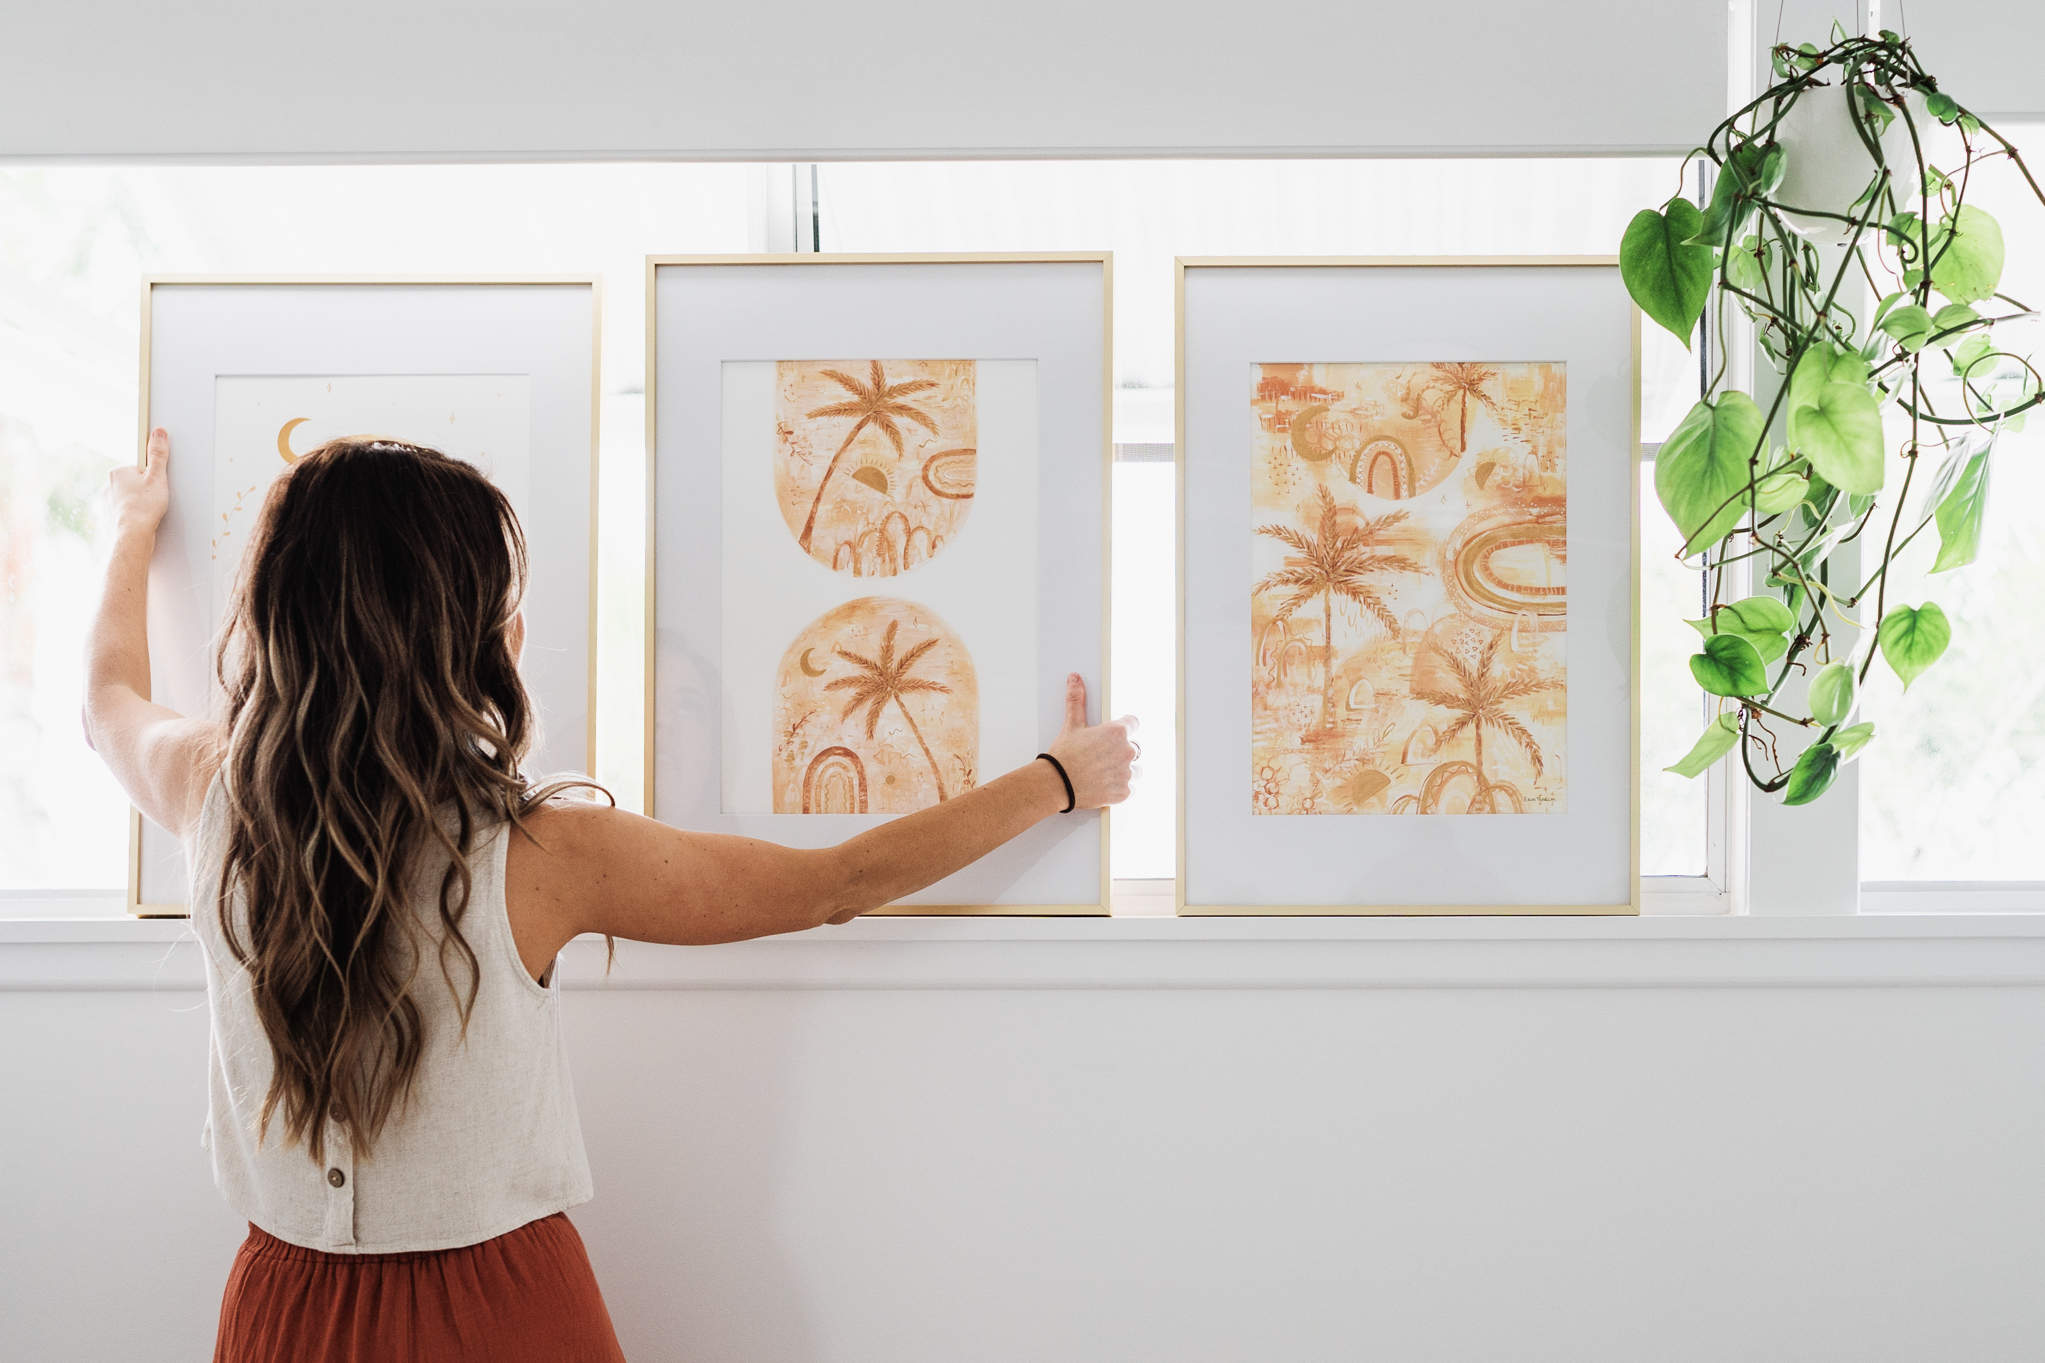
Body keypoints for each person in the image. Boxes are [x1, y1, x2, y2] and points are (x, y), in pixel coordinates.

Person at [84, 429, 1137, 1362]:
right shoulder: (545, 851)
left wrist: (133, 529)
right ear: (470, 637)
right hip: (495, 1317)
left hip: (286, 1311)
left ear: (282, 613)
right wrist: (1055, 780)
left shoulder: (206, 790)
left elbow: (108, 702)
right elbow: (835, 883)